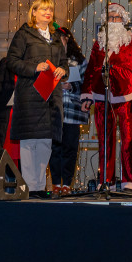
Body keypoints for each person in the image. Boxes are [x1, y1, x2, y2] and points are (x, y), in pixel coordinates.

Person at [4, 0, 68, 197]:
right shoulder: (24, 34)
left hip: (52, 97)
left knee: (45, 143)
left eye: (50, 10)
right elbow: (11, 61)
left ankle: (39, 187)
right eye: (43, 10)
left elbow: (64, 62)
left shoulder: (56, 37)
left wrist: (62, 70)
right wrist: (34, 67)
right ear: (34, 12)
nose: (48, 13)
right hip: (30, 95)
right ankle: (30, 187)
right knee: (30, 142)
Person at [80, 2, 132, 192]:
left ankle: (130, 182)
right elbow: (91, 70)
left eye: (117, 18)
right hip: (102, 95)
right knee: (104, 141)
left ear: (123, 20)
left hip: (127, 96)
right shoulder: (99, 42)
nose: (114, 21)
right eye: (110, 18)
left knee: (129, 141)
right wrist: (86, 96)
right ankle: (106, 181)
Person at [49, 26, 87, 197]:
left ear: (68, 40)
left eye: (62, 40)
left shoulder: (79, 60)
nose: (59, 43)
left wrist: (71, 86)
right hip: (53, 111)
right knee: (54, 148)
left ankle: (67, 184)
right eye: (55, 40)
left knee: (70, 149)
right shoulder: (50, 60)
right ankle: (56, 184)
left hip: (72, 111)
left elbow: (87, 84)